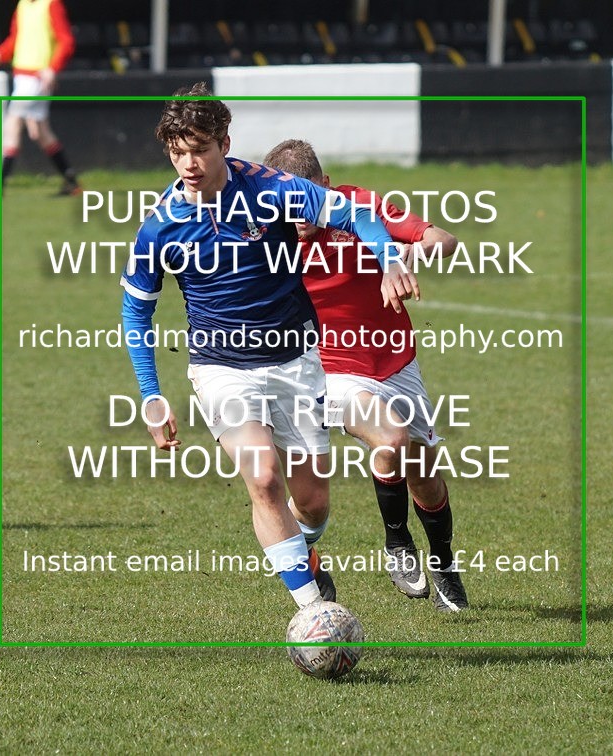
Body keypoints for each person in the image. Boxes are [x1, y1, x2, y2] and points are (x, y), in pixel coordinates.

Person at [121, 83, 419, 610]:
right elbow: (136, 310)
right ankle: (314, 610)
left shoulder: (270, 188)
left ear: (225, 143)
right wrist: (151, 393)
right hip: (220, 366)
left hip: (296, 361)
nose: (188, 163)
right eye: (177, 152)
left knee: (313, 502)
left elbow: (353, 214)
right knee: (262, 477)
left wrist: (389, 258)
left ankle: (301, 550)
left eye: (200, 150)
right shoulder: (160, 226)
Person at [263, 139, 469, 612]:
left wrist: (407, 256)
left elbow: (444, 240)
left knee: (425, 478)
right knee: (391, 440)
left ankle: (443, 563)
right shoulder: (266, 233)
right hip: (329, 371)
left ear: (326, 188)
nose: (298, 215)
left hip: (396, 361)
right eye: (287, 203)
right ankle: (397, 543)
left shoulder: (357, 207)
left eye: (307, 200)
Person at [0, 0, 80, 199]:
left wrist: (52, 68)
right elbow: (17, 38)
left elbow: (66, 40)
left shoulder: (51, 4)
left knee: (12, 125)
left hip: (36, 79)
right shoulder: (23, 5)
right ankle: (71, 181)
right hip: (23, 77)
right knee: (40, 131)